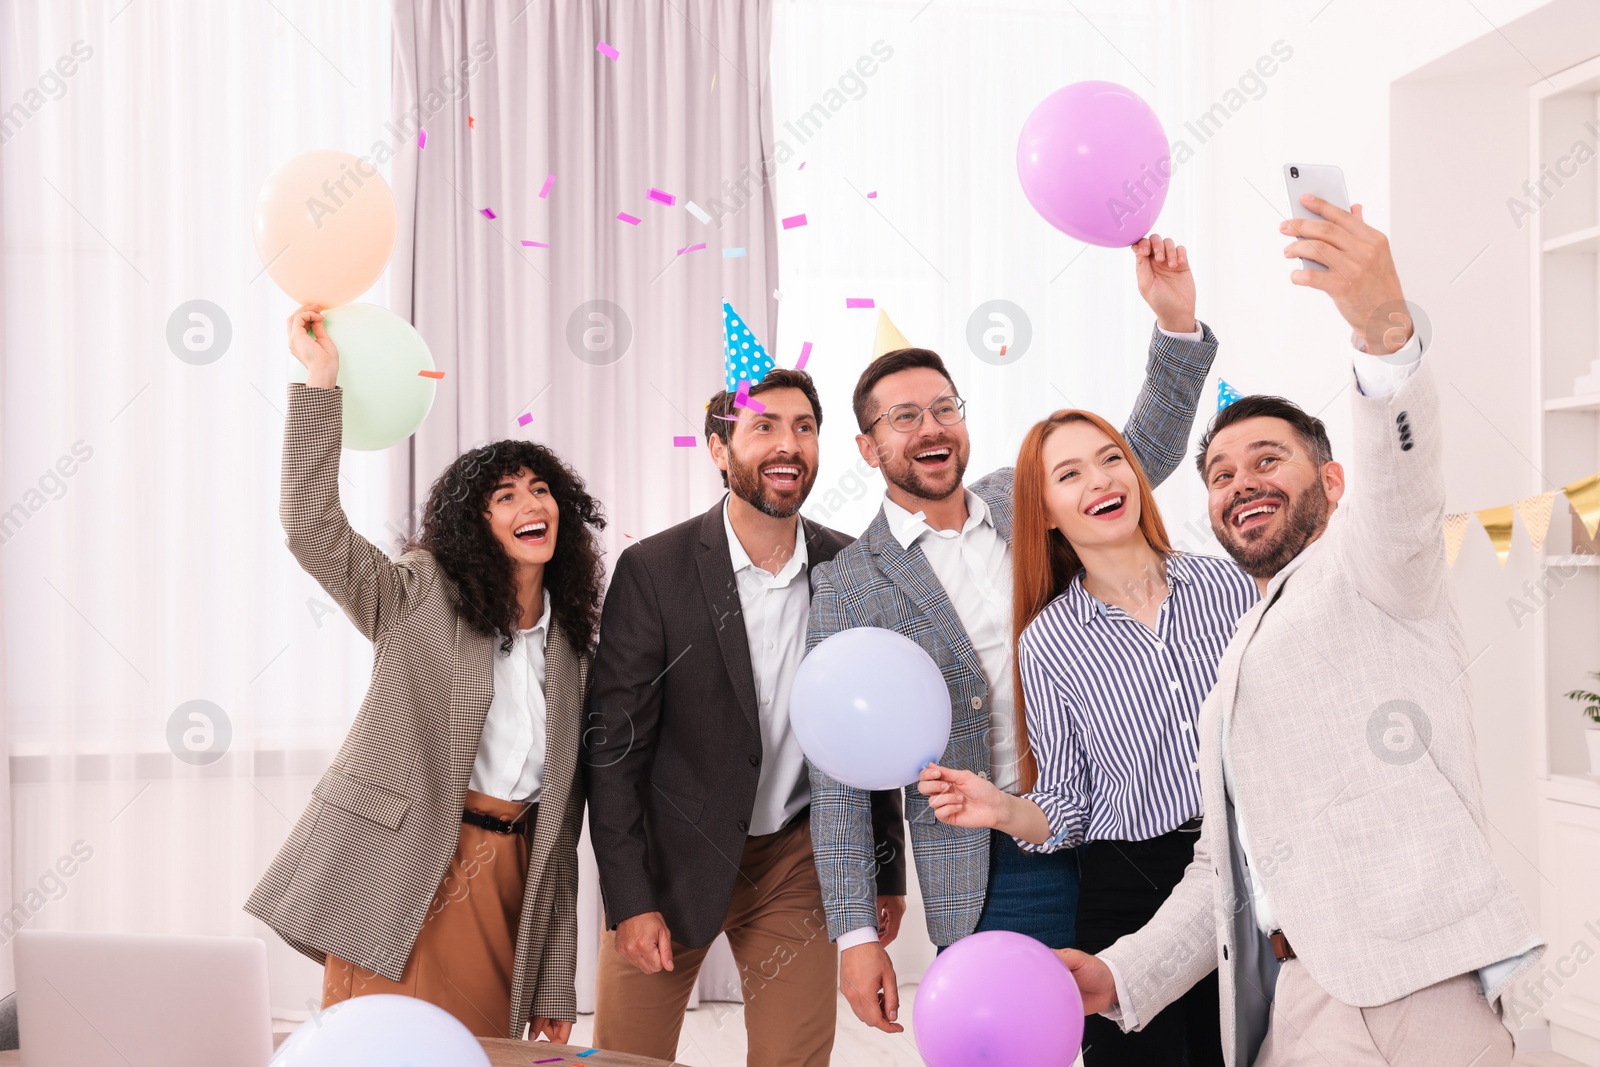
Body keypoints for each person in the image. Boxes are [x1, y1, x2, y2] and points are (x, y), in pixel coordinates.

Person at [1056, 197, 1546, 1067]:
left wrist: (1383, 331)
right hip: (1299, 996)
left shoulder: (1375, 565)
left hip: (1422, 982)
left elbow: (1405, 473)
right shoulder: (1238, 648)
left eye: (1267, 459)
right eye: (1219, 473)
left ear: (1329, 477)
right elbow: (1220, 869)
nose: (1240, 481)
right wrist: (1116, 976)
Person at [808, 235, 1221, 1034]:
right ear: (868, 447)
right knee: (1014, 1042)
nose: (931, 427)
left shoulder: (1028, 494)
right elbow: (838, 775)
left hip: (1115, 823)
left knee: (1141, 1027)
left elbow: (1138, 456)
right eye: (903, 418)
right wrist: (856, 935)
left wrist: (1174, 327)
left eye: (944, 408)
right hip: (990, 856)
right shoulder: (850, 583)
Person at [245, 304, 606, 1042]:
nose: (528, 503)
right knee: (378, 1048)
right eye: (503, 495)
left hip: (509, 884)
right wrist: (322, 382)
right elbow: (311, 527)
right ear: (476, 525)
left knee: (476, 1054)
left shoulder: (574, 649)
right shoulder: (417, 593)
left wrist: (556, 980)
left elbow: (563, 830)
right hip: (402, 869)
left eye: (539, 489)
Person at [585, 355, 907, 1067]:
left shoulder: (850, 569)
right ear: (718, 447)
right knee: (623, 1059)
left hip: (794, 859)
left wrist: (885, 869)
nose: (788, 444)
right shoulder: (654, 571)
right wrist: (629, 897)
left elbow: (873, 726)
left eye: (804, 426)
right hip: (672, 857)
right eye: (764, 427)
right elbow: (614, 750)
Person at [918, 405, 1257, 1065]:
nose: (1100, 479)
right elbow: (1070, 806)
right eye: (1069, 473)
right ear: (1044, 511)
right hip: (1130, 885)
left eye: (1110, 459)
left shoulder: (1231, 584)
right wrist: (1004, 807)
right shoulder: (1048, 642)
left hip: (1246, 867)